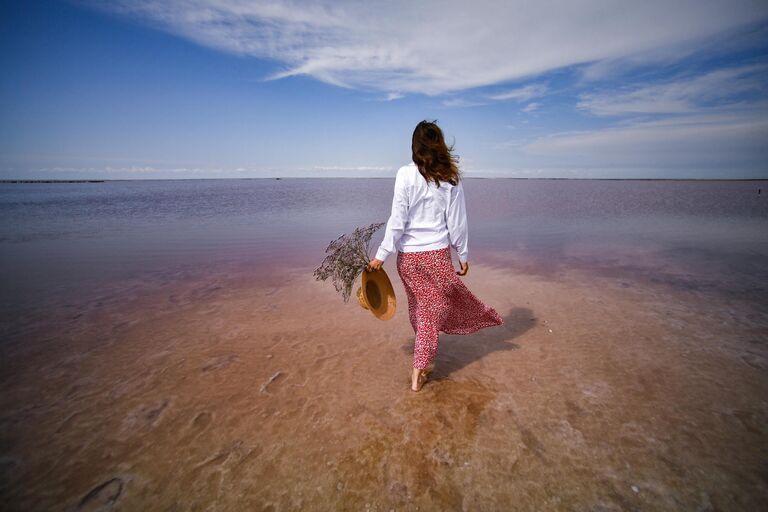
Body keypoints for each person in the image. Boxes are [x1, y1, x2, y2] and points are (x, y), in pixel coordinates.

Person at [365, 120, 504, 392]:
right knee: (429, 310)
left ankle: (423, 356)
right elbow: (458, 222)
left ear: (414, 146)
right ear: (440, 145)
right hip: (436, 257)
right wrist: (463, 254)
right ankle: (419, 368)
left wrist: (383, 254)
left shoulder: (405, 175)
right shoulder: (449, 177)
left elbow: (397, 219)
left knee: (421, 307)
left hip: (408, 259)